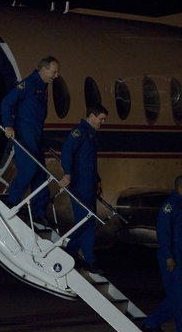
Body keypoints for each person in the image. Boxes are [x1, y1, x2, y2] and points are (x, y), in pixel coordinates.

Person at [1, 56, 60, 227]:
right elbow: (6, 102)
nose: (56, 76)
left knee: (41, 175)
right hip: (24, 135)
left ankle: (39, 213)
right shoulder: (28, 84)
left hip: (37, 136)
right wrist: (8, 125)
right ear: (43, 70)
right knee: (28, 171)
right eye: (54, 72)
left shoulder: (43, 86)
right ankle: (11, 204)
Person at [141, 175, 182, 332]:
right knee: (180, 300)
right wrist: (168, 256)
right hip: (173, 257)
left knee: (176, 297)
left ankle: (151, 323)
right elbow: (163, 232)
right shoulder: (169, 206)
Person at [59, 103, 108, 273]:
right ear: (92, 116)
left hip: (89, 185)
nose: (102, 122)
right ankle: (88, 259)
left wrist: (98, 180)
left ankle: (71, 253)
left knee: (88, 221)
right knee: (87, 221)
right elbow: (66, 153)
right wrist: (67, 173)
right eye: (101, 119)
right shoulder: (79, 131)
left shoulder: (91, 134)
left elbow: (90, 162)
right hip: (79, 184)